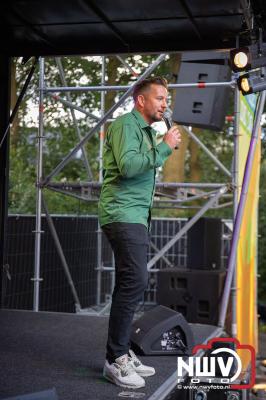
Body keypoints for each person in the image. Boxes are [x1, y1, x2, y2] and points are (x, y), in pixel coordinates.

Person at [98, 76, 181, 389]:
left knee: (130, 281)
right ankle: (115, 359)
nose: (164, 104)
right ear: (141, 100)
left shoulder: (145, 131)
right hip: (122, 213)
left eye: (166, 99)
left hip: (134, 216)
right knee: (136, 279)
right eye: (159, 98)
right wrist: (164, 147)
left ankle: (120, 352)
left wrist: (161, 146)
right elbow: (130, 166)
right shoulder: (124, 126)